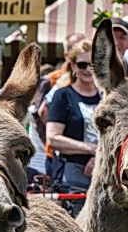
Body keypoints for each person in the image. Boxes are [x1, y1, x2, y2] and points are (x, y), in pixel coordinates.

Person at [43, 42, 100, 193]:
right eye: (82, 65)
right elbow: (53, 138)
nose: (88, 69)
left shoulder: (107, 96)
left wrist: (99, 157)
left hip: (104, 171)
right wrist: (92, 149)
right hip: (70, 175)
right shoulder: (63, 95)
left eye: (93, 64)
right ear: (73, 67)